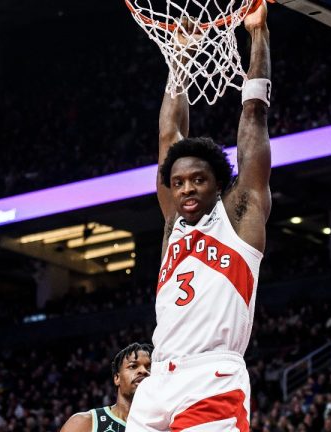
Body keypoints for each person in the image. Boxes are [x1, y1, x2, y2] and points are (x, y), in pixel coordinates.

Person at [126, 3, 272, 432]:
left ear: (218, 182)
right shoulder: (173, 223)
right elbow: (169, 136)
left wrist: (258, 36)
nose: (186, 188)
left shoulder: (241, 214)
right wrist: (179, 57)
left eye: (198, 180)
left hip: (212, 376)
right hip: (157, 384)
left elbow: (253, 119)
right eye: (179, 182)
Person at [61, 343, 152, 432]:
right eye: (133, 366)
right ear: (117, 378)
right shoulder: (84, 423)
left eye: (149, 368)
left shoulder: (164, 425)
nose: (144, 371)